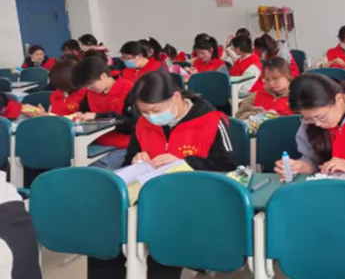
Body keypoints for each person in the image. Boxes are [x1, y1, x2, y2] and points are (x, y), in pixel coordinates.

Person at [89, 72, 233, 279]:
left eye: (155, 110)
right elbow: (129, 160)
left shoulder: (211, 120)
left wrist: (183, 162)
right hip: (148, 196)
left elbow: (227, 168)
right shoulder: (143, 124)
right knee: (106, 231)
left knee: (162, 239)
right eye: (143, 111)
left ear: (176, 97)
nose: (150, 117)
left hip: (192, 198)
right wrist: (137, 159)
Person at [72, 57, 135, 169]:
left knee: (106, 170)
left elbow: (131, 123)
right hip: (95, 143)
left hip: (122, 146)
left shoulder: (128, 89)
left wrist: (98, 116)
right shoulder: (91, 93)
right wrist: (81, 114)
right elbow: (84, 110)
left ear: (104, 76)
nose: (89, 89)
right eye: (87, 87)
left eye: (91, 85)